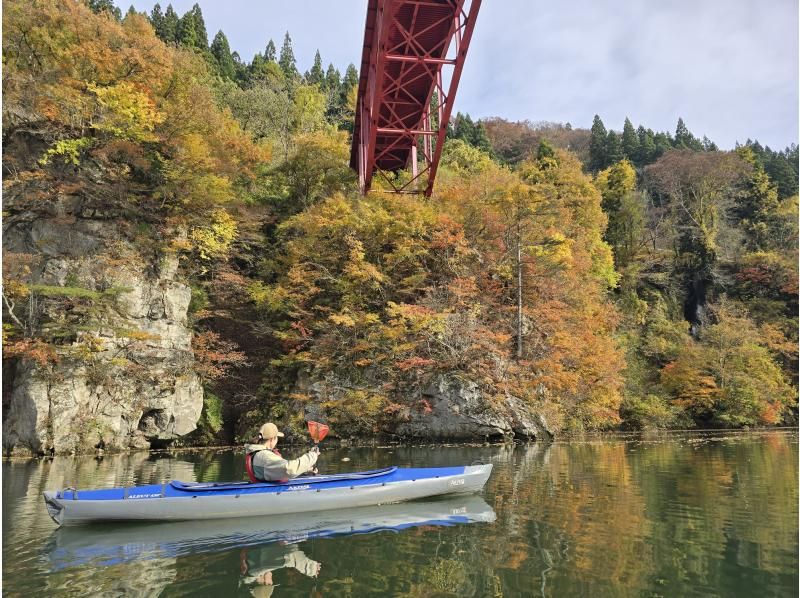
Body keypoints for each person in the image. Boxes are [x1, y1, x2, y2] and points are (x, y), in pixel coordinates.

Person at [245, 422, 319, 482]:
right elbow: (290, 469)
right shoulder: (265, 456)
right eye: (277, 438)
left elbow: (275, 472)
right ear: (272, 439)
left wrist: (305, 470)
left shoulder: (257, 454)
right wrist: (312, 456)